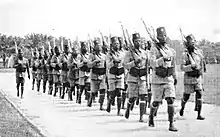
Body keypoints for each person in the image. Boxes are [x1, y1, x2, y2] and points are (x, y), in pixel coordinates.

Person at [148, 27, 178, 132]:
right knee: (156, 102)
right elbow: (152, 63)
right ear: (157, 37)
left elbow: (173, 65)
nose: (163, 37)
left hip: (168, 78)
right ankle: (151, 116)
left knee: (171, 100)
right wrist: (162, 59)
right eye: (161, 36)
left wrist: (175, 76)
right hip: (157, 79)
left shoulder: (171, 50)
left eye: (165, 35)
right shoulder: (153, 49)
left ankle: (171, 123)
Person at [179, 34, 206, 120]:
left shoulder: (199, 52)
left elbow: (201, 64)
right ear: (187, 43)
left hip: (198, 78)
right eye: (191, 42)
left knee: (200, 93)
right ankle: (182, 107)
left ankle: (199, 114)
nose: (193, 43)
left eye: (194, 41)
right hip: (189, 79)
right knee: (186, 97)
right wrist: (191, 67)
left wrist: (202, 77)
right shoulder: (185, 54)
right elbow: (182, 67)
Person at [123, 33, 149, 122]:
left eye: (139, 41)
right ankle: (128, 109)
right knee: (132, 97)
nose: (138, 43)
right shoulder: (128, 53)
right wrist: (134, 63)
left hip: (142, 77)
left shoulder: (145, 53)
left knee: (143, 96)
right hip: (132, 77)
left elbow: (147, 65)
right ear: (133, 42)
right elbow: (125, 65)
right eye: (136, 41)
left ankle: (141, 117)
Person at [106, 36, 125, 116]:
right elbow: (108, 65)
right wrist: (113, 62)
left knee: (119, 92)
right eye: (115, 44)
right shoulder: (109, 54)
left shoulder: (122, 53)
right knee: (113, 93)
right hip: (112, 75)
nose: (117, 45)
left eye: (118, 44)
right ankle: (109, 103)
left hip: (120, 74)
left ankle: (119, 111)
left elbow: (124, 63)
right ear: (112, 45)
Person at [87, 39, 107, 110]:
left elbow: (106, 66)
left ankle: (101, 106)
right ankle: (90, 99)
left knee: (103, 90)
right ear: (94, 47)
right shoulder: (91, 55)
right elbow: (89, 65)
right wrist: (94, 62)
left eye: (100, 46)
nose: (99, 47)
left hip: (102, 76)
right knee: (94, 91)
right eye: (97, 46)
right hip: (94, 75)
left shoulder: (104, 56)